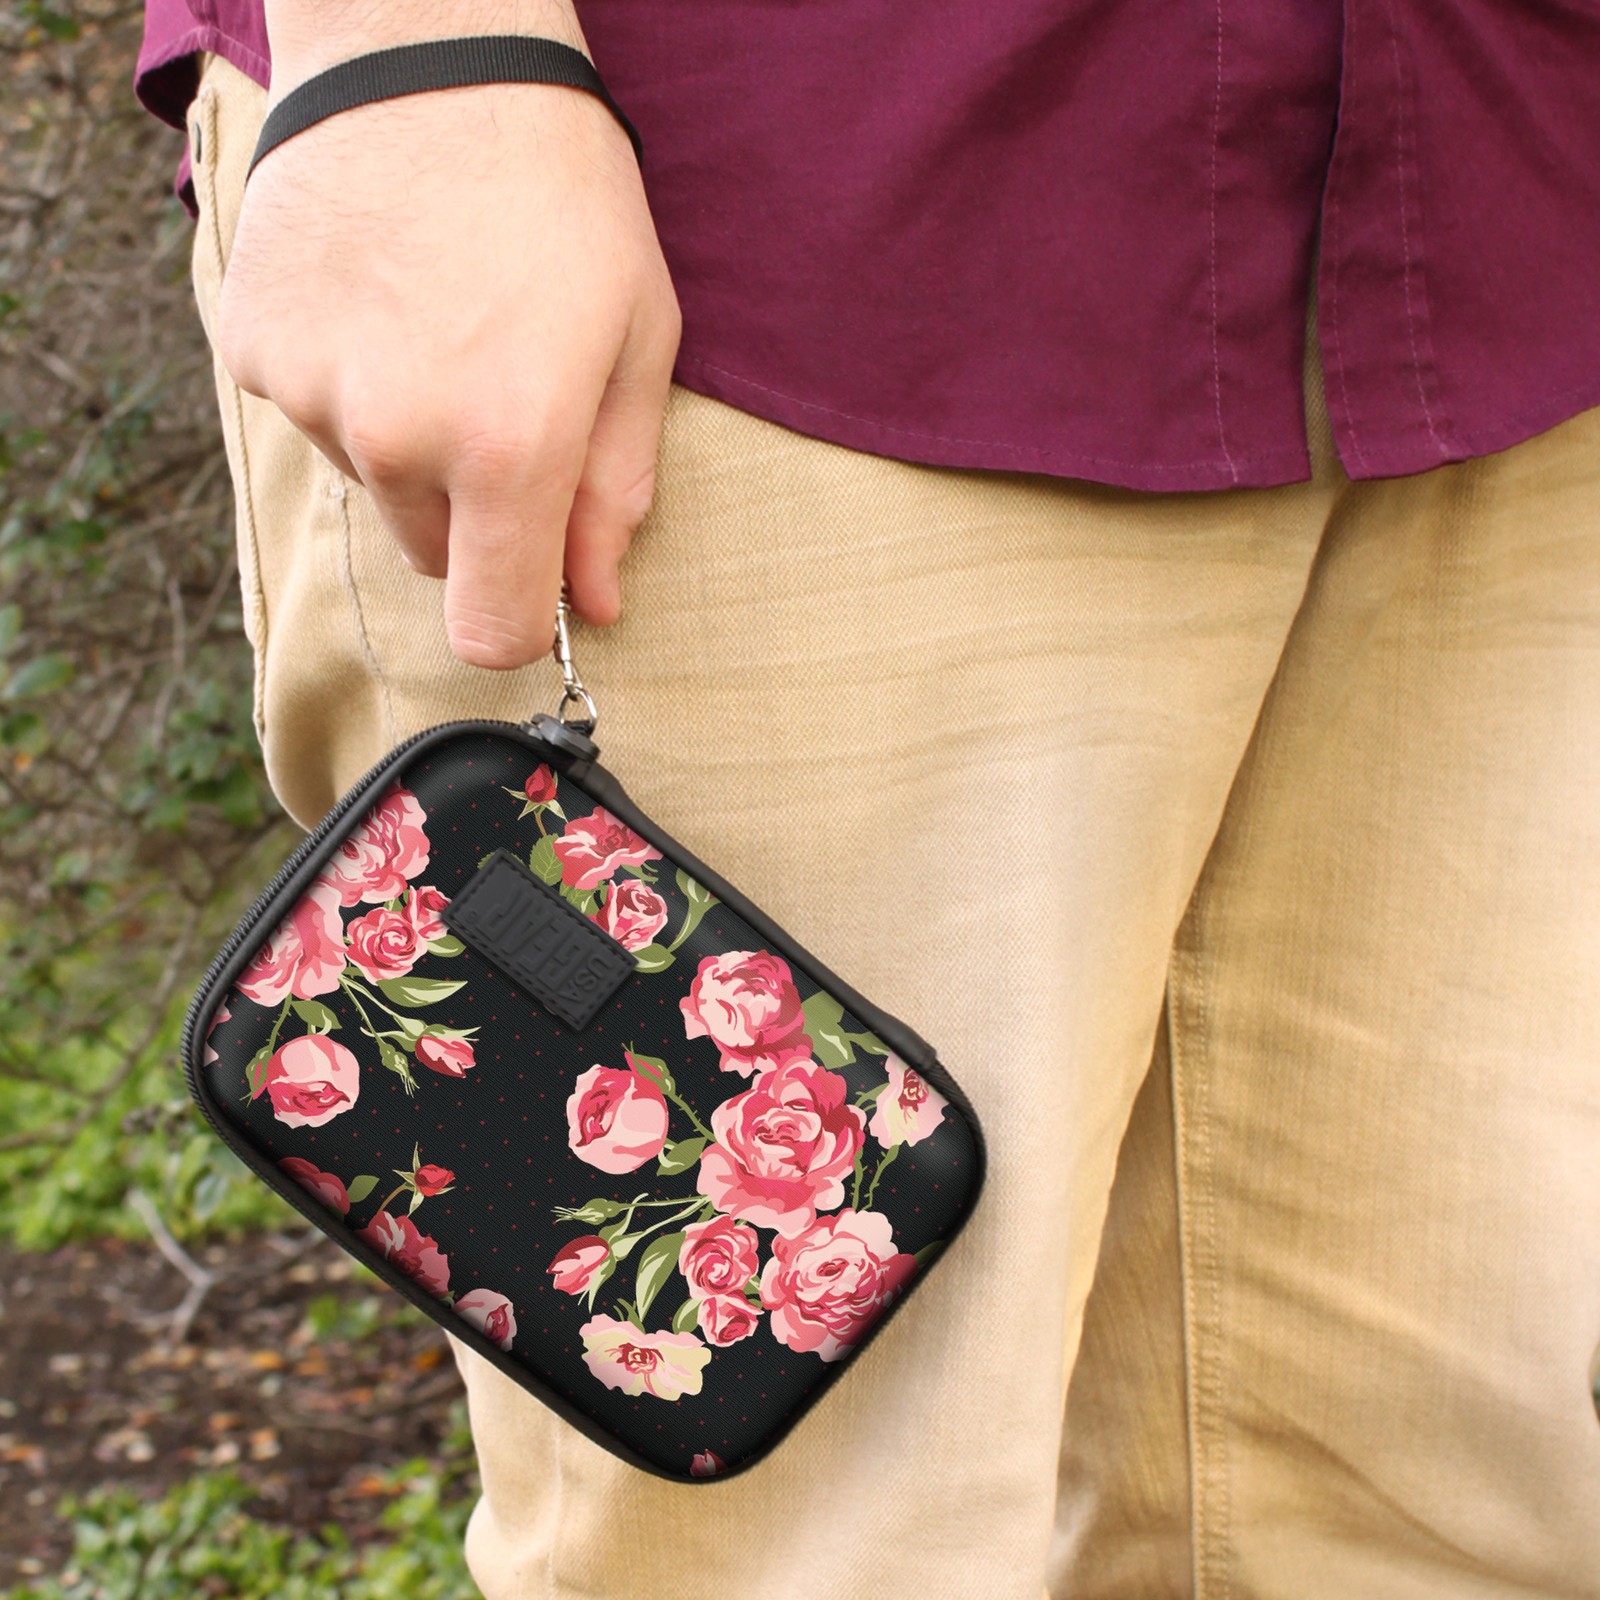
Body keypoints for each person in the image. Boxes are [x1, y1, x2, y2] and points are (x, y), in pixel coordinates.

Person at [134, 1, 1600, 1594]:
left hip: (1506, 215)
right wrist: (420, 52)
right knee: (803, 1547)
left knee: (1424, 1508)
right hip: (736, 219)